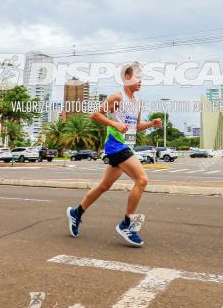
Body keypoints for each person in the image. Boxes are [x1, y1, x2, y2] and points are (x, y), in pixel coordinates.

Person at [66, 62, 161, 247]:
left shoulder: (138, 103)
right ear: (126, 78)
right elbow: (95, 115)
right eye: (137, 77)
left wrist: (152, 124)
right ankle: (126, 225)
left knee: (104, 186)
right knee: (142, 180)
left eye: (142, 78)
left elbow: (137, 126)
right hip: (116, 145)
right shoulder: (117, 97)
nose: (141, 81)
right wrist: (114, 124)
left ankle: (76, 213)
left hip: (127, 147)